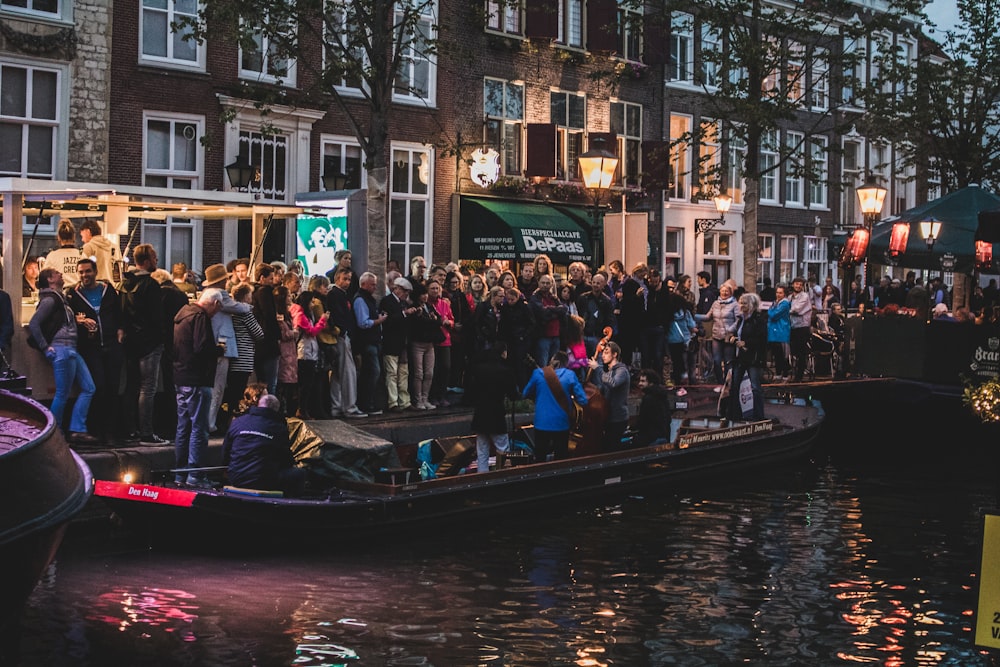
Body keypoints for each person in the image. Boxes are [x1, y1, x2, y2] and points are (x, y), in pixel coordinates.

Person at [27, 268, 97, 443]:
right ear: (50, 280)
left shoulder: (59, 298)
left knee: (89, 387)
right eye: (57, 273)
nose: (61, 274)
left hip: (70, 349)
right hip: (62, 349)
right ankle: (55, 434)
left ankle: (76, 429)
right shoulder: (51, 300)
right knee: (63, 393)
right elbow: (34, 323)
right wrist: (45, 347)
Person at [67, 257, 125, 442]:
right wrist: (79, 320)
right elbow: (66, 317)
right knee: (98, 386)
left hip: (111, 344)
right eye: (81, 272)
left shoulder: (108, 291)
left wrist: (120, 330)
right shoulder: (72, 294)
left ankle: (111, 432)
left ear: (95, 272)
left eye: (88, 271)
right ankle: (96, 429)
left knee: (113, 388)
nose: (85, 275)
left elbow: (119, 313)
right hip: (90, 347)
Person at [172, 290, 225, 487]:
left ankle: (179, 474)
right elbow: (201, 347)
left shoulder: (182, 314)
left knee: (183, 426)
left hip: (180, 376)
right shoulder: (200, 317)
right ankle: (195, 475)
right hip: (197, 379)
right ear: (215, 304)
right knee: (199, 428)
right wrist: (218, 350)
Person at [120, 243, 167, 445]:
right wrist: (161, 338)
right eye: (155, 258)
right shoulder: (151, 285)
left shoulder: (123, 285)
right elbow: (157, 318)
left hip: (130, 342)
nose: (157, 261)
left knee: (131, 387)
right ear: (146, 261)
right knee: (148, 388)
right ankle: (147, 433)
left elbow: (120, 315)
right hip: (149, 343)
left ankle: (129, 430)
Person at [201, 263, 254, 433]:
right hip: (222, 343)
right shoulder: (219, 294)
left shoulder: (205, 293)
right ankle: (210, 422)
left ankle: (207, 421)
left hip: (212, 342)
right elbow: (236, 306)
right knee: (218, 387)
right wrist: (248, 307)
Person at [222, 393, 307, 494]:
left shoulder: (238, 422)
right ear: (277, 410)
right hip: (264, 481)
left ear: (258, 405)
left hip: (236, 478)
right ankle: (290, 503)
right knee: (300, 473)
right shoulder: (279, 428)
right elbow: (286, 460)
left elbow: (225, 452)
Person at [522, 350, 588, 462]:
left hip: (541, 423)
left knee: (540, 459)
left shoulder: (538, 374)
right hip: (561, 424)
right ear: (566, 363)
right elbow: (583, 400)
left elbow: (525, 394)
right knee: (561, 459)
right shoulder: (570, 375)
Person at [468, 342, 518, 472]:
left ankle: (482, 474)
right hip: (496, 412)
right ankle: (502, 474)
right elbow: (513, 395)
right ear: (503, 353)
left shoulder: (479, 369)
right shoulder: (506, 371)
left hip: (481, 412)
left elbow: (472, 390)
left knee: (482, 448)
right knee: (502, 447)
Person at [326, 266, 367, 418]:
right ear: (337, 279)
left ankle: (336, 406)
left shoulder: (340, 294)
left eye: (349, 279)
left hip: (341, 335)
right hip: (341, 336)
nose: (347, 282)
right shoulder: (336, 294)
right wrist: (343, 331)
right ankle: (350, 407)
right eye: (345, 279)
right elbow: (339, 315)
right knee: (348, 372)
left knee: (337, 374)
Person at [380, 276, 417, 411]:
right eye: (405, 291)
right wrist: (404, 313)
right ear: (397, 289)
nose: (406, 294)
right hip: (391, 342)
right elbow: (388, 321)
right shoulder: (387, 301)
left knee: (403, 373)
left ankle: (404, 401)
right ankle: (393, 401)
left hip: (403, 343)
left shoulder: (404, 303)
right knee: (392, 373)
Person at [730, 292, 768, 421]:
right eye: (741, 303)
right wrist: (733, 338)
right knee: (734, 385)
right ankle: (735, 414)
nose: (742, 305)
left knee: (755, 387)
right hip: (740, 356)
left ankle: (758, 416)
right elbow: (736, 333)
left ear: (751, 305)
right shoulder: (740, 319)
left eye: (745, 303)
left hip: (753, 357)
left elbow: (762, 338)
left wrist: (746, 343)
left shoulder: (759, 319)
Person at [696, 281, 740, 388]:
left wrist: (731, 329)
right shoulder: (716, 303)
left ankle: (728, 384)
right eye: (722, 291)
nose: (724, 293)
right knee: (716, 361)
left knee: (728, 362)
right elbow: (708, 317)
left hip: (728, 337)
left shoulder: (735, 305)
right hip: (716, 335)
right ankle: (720, 383)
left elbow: (738, 319)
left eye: (726, 291)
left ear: (730, 293)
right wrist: (693, 316)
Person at [588, 341, 630, 451]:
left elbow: (613, 383)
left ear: (615, 354)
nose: (603, 355)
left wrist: (597, 368)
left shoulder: (622, 371)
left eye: (606, 352)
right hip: (608, 416)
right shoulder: (609, 372)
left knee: (611, 448)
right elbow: (603, 389)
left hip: (618, 418)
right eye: (603, 353)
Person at [407, 281, 443, 411]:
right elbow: (420, 323)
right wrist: (432, 320)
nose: (425, 296)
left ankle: (425, 398)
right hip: (418, 343)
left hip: (429, 343)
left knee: (429, 372)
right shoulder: (414, 308)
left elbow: (439, 320)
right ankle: (417, 400)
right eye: (422, 294)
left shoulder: (429, 307)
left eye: (425, 294)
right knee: (418, 373)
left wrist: (433, 320)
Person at [427, 279, 455, 407]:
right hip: (432, 340)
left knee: (446, 368)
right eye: (432, 288)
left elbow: (451, 318)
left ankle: (442, 395)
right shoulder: (426, 304)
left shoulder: (444, 304)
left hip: (445, 340)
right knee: (434, 370)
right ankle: (432, 396)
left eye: (437, 288)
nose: (435, 291)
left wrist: (449, 323)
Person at [576, 272, 614, 357]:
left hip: (597, 336)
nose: (595, 285)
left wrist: (606, 336)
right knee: (581, 361)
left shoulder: (606, 301)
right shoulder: (583, 298)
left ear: (603, 285)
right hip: (583, 335)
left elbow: (610, 319)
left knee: (598, 362)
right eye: (594, 282)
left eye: (598, 283)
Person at [633, 369, 674, 447]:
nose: (639, 383)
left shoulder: (648, 398)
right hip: (664, 436)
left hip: (651, 439)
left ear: (651, 383)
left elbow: (643, 420)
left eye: (643, 381)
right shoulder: (662, 395)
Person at [42, 220, 85, 288]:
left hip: (60, 293)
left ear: (59, 237)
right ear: (74, 236)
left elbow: (44, 277)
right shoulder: (82, 255)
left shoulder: (52, 256)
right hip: (79, 292)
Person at [80, 219, 122, 285]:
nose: (82, 239)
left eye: (82, 236)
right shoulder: (115, 247)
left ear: (88, 232)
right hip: (112, 288)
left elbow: (82, 269)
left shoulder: (88, 247)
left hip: (95, 287)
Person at [788, 276, 813, 383]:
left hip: (802, 327)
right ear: (793, 284)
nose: (798, 286)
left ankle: (799, 376)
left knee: (801, 353)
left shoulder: (804, 296)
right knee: (793, 352)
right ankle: (792, 373)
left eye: (800, 284)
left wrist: (784, 310)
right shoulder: (790, 297)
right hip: (792, 327)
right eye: (796, 283)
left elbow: (796, 309)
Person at [766, 284, 792, 382]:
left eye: (780, 293)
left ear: (784, 294)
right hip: (774, 331)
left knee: (782, 355)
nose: (778, 294)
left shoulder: (784, 304)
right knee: (776, 354)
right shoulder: (776, 303)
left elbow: (773, 315)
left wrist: (770, 310)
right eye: (777, 292)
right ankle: (778, 373)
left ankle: (785, 374)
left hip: (781, 331)